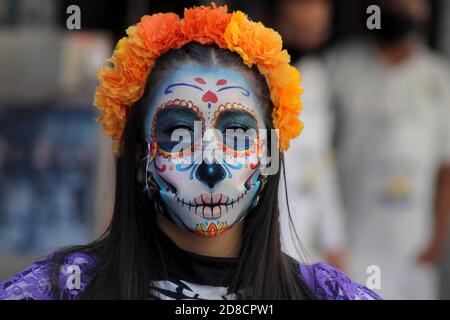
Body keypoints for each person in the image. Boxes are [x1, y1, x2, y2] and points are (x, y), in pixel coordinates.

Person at [0, 4, 380, 300]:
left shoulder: (325, 295)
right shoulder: (60, 289)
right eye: (179, 133)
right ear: (137, 157)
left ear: (269, 156)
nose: (210, 165)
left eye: (235, 132)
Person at [325, 0, 450, 299]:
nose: (397, 14)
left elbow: (446, 168)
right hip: (350, 241)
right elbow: (315, 159)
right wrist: (328, 237)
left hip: (413, 246)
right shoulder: (338, 67)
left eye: (408, 8)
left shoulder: (440, 77)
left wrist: (438, 240)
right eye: (390, 5)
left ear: (423, 14)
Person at [275, 0, 347, 270]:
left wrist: (335, 243)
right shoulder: (251, 72)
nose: (306, 39)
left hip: (304, 238)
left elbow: (322, 166)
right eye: (297, 29)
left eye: (315, 30)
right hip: (256, 236)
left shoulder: (317, 76)